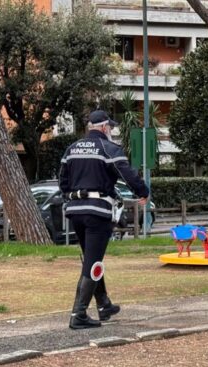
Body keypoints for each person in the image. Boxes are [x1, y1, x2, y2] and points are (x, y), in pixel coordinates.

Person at [60, 110, 149, 329]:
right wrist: (142, 192)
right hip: (98, 212)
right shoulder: (109, 149)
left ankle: (103, 304)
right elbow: (128, 175)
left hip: (75, 210)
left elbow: (63, 181)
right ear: (104, 127)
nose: (111, 130)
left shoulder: (71, 150)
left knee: (91, 256)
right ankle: (78, 314)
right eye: (110, 127)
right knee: (93, 263)